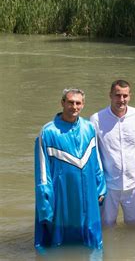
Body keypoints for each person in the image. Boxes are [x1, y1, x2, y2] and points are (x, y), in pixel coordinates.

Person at [34, 88, 106, 250]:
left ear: (83, 105)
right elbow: (43, 173)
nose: (74, 107)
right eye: (70, 102)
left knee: (92, 242)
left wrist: (101, 187)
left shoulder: (89, 128)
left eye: (78, 103)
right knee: (59, 242)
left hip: (87, 193)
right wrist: (45, 203)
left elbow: (97, 160)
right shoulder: (48, 132)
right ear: (62, 103)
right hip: (62, 194)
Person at [90, 80, 135, 226]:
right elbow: (94, 154)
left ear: (130, 96)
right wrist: (97, 183)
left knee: (134, 226)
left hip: (134, 184)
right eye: (118, 95)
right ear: (110, 95)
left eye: (125, 96)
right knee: (106, 225)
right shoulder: (97, 119)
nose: (121, 100)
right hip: (108, 184)